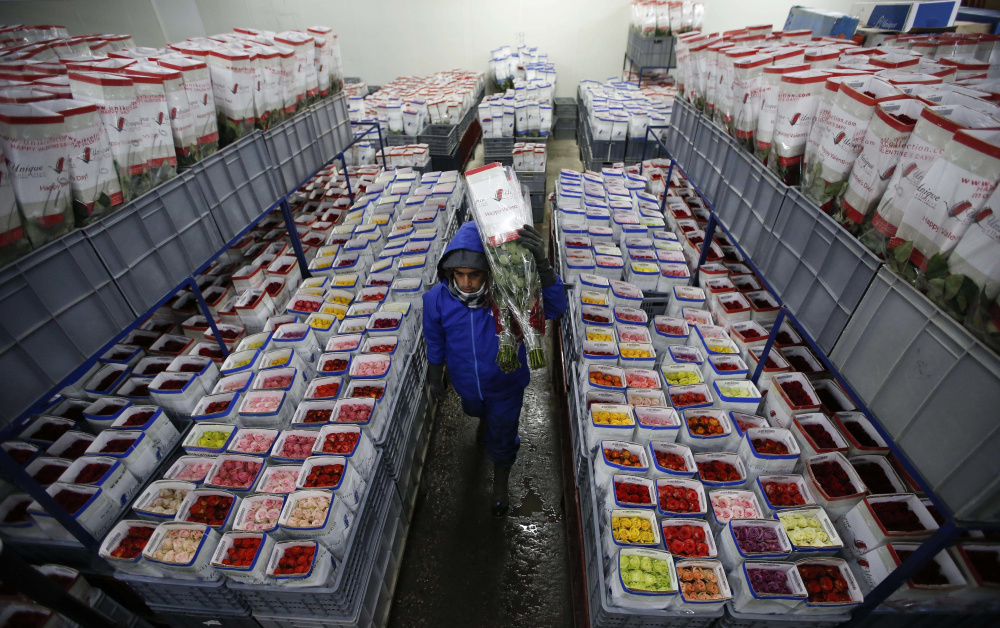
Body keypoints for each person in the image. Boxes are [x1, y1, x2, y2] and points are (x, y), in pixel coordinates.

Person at [422, 221, 567, 517]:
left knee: (503, 435)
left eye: (474, 274)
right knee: (475, 410)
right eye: (459, 275)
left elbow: (555, 308)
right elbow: (434, 337)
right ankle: (483, 421)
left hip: (505, 386)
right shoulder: (436, 300)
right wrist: (435, 372)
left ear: (488, 271)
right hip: (467, 385)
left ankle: (500, 482)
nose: (466, 283)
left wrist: (543, 264)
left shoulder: (510, 294)